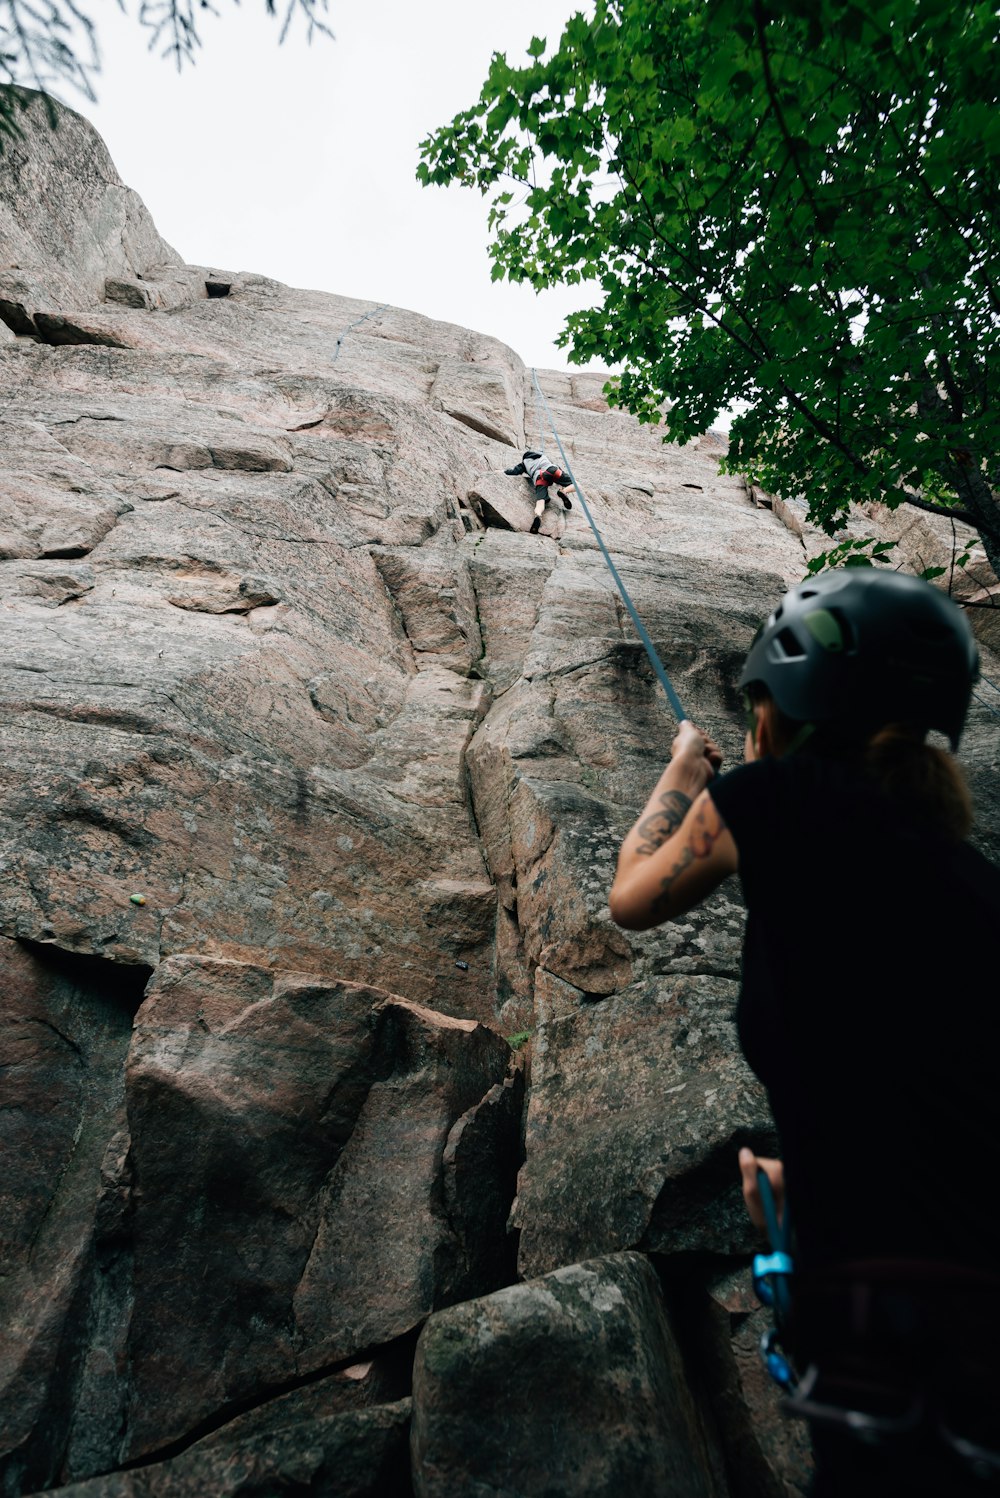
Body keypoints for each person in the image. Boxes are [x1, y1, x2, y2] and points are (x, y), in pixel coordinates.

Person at [608, 568, 1000, 1496]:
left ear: (787, 702)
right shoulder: (975, 886)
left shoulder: (775, 798)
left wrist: (680, 773)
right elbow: (924, 1082)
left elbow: (631, 896)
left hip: (877, 1307)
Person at [504, 449, 573, 533]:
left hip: (539, 476)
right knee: (576, 485)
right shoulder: (543, 456)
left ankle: (538, 516)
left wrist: (503, 471)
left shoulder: (523, 464)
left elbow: (514, 472)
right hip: (552, 469)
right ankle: (564, 491)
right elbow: (557, 467)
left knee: (540, 502)